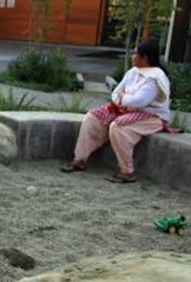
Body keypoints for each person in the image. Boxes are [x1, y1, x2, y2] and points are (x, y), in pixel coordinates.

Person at [62, 40, 171, 183]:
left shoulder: (156, 77)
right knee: (93, 116)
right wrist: (122, 99)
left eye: (135, 53)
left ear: (145, 58)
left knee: (119, 126)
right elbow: (116, 92)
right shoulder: (133, 71)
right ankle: (79, 159)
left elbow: (139, 101)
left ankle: (127, 172)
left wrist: (123, 98)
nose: (133, 56)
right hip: (126, 110)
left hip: (151, 116)